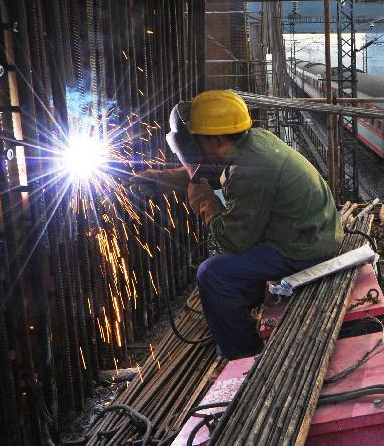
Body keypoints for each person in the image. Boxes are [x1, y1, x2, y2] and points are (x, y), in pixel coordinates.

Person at [132, 90, 343, 358]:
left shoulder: (248, 172)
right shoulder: (251, 142)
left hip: (305, 249)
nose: (195, 148)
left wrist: (205, 202)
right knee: (230, 269)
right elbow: (206, 171)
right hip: (313, 231)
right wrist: (161, 178)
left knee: (213, 273)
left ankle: (243, 352)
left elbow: (232, 240)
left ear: (215, 139)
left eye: (198, 141)